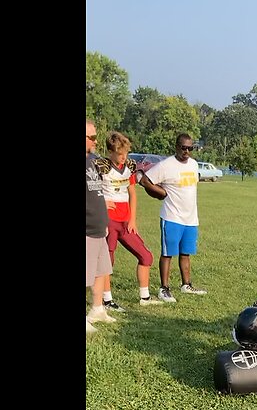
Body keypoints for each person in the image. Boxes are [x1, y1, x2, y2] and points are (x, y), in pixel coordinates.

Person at [94, 132, 164, 308]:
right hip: (109, 220)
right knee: (107, 261)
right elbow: (91, 191)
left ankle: (144, 297)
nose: (123, 157)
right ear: (110, 152)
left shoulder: (130, 165)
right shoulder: (100, 166)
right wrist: (102, 202)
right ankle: (107, 299)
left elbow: (132, 192)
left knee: (145, 256)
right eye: (119, 153)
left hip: (125, 221)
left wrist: (133, 219)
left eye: (125, 152)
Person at [137, 133, 204, 302]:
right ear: (176, 147)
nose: (187, 151)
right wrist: (160, 193)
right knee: (168, 254)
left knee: (185, 253)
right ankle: (164, 288)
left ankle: (186, 284)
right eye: (184, 148)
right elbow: (145, 180)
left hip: (190, 218)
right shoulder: (166, 165)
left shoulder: (194, 165)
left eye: (190, 148)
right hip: (172, 217)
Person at [85, 120, 116, 333]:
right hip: (86, 229)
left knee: (100, 271)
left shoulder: (92, 160)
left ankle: (97, 309)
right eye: (93, 137)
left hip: (98, 227)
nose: (96, 141)